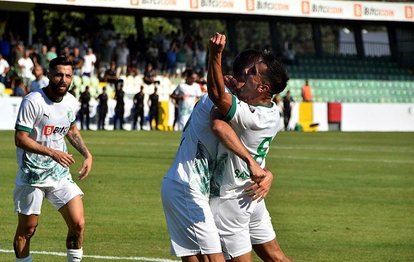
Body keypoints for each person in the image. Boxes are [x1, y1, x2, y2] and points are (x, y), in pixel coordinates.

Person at [161, 45, 272, 262]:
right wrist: (216, 56)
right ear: (246, 75)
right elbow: (218, 124)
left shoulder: (239, 104)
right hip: (188, 188)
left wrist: (267, 173)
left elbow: (249, 151)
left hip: (192, 190)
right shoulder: (223, 100)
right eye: (256, 73)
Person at [207, 33, 293, 262]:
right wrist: (269, 174)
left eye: (253, 74)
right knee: (277, 257)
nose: (247, 74)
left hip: (233, 197)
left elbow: (217, 105)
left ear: (263, 87)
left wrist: (215, 56)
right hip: (254, 194)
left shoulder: (251, 116)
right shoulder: (273, 113)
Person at [13, 56, 93, 262]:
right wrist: (53, 152)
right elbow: (20, 139)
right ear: (48, 75)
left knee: (78, 224)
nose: (63, 80)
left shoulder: (71, 101)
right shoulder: (33, 101)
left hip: (59, 175)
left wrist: (87, 154)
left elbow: (71, 130)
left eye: (67, 75)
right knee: (27, 230)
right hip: (32, 175)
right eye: (58, 74)